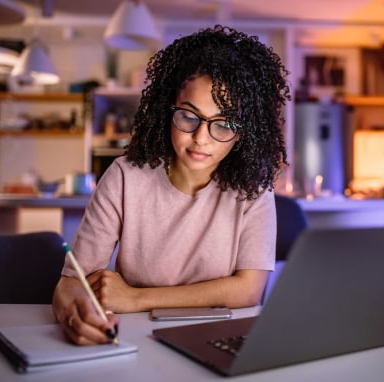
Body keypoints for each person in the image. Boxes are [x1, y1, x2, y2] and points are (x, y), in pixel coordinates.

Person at [52, 25, 290, 345]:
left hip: (221, 336)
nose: (201, 138)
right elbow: (72, 282)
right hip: (136, 338)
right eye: (189, 116)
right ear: (168, 110)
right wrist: (74, 316)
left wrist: (136, 298)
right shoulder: (125, 177)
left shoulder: (253, 189)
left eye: (223, 124)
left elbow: (248, 290)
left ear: (244, 132)